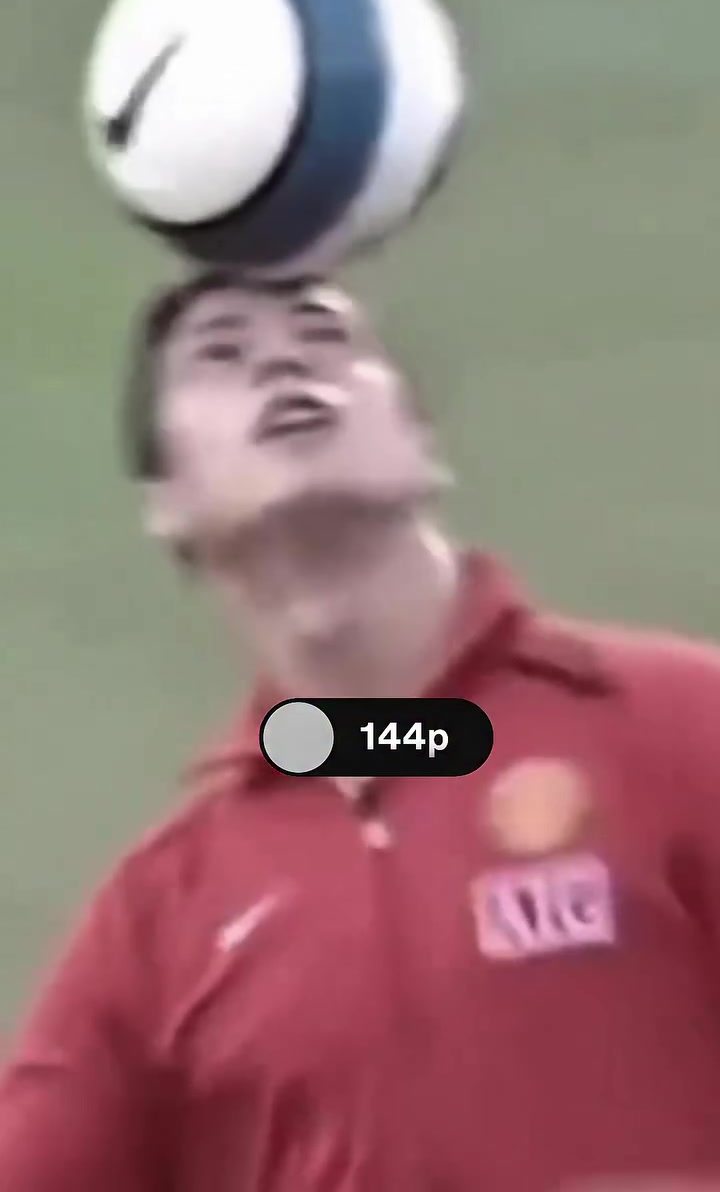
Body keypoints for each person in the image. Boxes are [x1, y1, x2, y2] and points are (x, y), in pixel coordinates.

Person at [2, 269, 720, 1192]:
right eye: (224, 351)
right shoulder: (163, 911)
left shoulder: (678, 724)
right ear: (165, 500)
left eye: (325, 337)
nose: (284, 363)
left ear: (422, 442)